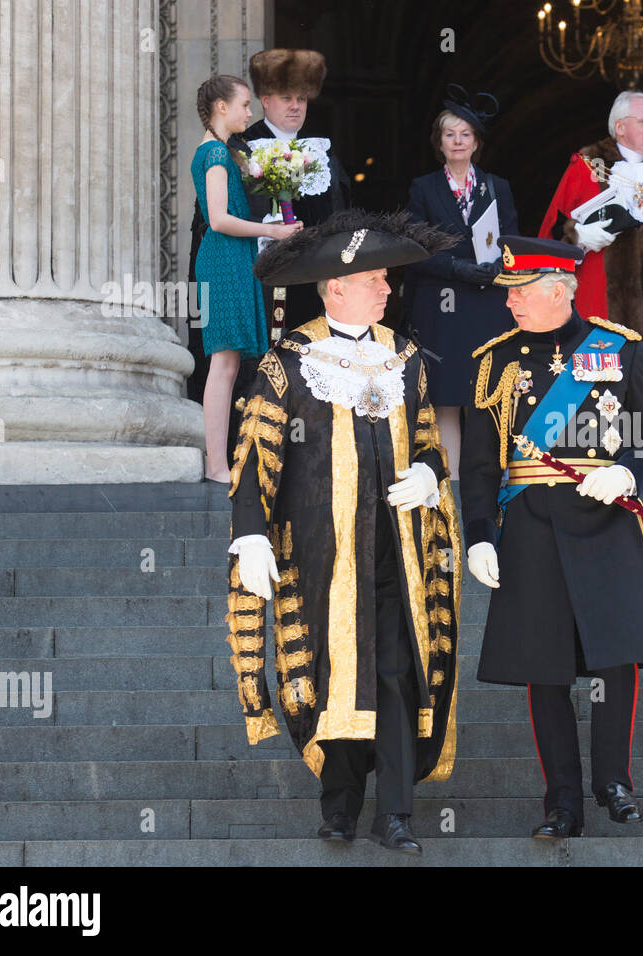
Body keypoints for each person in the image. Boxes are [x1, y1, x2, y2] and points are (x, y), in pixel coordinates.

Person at [226, 209, 461, 854]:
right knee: (335, 677)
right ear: (336, 288)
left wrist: (429, 477)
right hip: (321, 555)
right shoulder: (289, 360)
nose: (387, 289)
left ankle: (398, 814)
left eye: (386, 280)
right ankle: (340, 806)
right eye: (375, 279)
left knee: (393, 674)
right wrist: (250, 536)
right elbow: (254, 460)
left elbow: (429, 444)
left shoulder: (404, 356)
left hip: (397, 550)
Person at [460, 236, 643, 838]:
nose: (510, 305)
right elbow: (478, 465)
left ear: (558, 290)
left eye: (521, 293)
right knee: (544, 665)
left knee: (615, 657)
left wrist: (627, 471)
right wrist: (479, 534)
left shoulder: (615, 347)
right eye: (509, 295)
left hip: (604, 517)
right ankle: (561, 801)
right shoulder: (495, 362)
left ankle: (614, 780)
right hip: (529, 525)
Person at [186, 49, 351, 403]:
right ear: (265, 100)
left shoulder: (323, 152)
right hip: (253, 279)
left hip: (311, 286)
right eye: (286, 98)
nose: (296, 106)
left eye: (302, 98)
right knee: (249, 372)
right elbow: (209, 221)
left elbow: (339, 219)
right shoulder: (237, 148)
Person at [538, 90, 643, 425]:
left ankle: (642, 472)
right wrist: (577, 236)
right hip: (597, 304)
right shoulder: (586, 166)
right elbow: (550, 232)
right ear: (620, 127)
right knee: (593, 402)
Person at [403, 84, 519, 479]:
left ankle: (486, 482)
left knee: (484, 398)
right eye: (450, 134)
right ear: (440, 142)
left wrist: (500, 266)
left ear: (476, 142)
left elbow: (512, 241)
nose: (457, 141)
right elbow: (416, 248)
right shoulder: (423, 187)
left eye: (465, 134)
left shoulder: (497, 186)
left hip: (488, 304)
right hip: (442, 303)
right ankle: (451, 485)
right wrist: (457, 268)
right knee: (447, 397)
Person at [191, 75, 301, 482]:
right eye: (244, 105)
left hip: (232, 258)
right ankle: (217, 465)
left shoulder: (219, 151)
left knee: (229, 362)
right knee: (223, 363)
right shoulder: (216, 154)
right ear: (222, 107)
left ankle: (220, 462)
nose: (250, 113)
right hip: (224, 259)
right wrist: (272, 231)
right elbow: (218, 219)